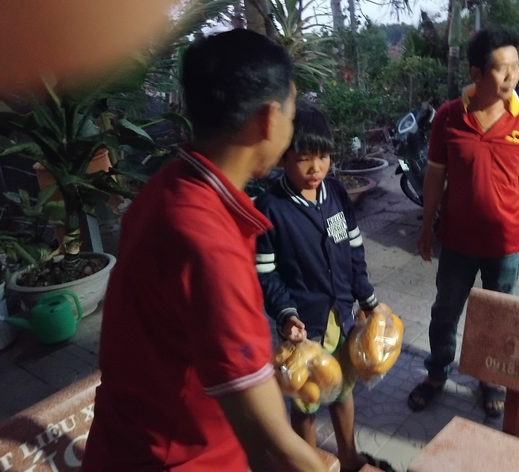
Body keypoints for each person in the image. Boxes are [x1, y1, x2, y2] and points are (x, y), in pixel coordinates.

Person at [83, 29, 328, 472]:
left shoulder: (168, 187)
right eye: (292, 116)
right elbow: (271, 446)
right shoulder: (210, 243)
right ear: (269, 120)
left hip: (127, 441)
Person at [407, 25, 519, 416]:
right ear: (477, 73)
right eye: (502, 68)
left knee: (496, 318)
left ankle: (490, 378)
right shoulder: (449, 117)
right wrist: (426, 226)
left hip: (505, 245)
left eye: (516, 66)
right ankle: (437, 372)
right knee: (445, 312)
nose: (512, 75)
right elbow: (434, 175)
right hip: (457, 241)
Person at [254, 102, 395, 472]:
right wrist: (286, 316)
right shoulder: (270, 208)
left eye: (323, 157)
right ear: (283, 157)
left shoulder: (335, 194)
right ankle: (309, 464)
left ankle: (349, 458)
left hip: (341, 317)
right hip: (303, 328)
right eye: (304, 159)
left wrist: (367, 299)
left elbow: (353, 251)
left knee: (343, 390)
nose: (315, 168)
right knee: (306, 402)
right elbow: (266, 275)